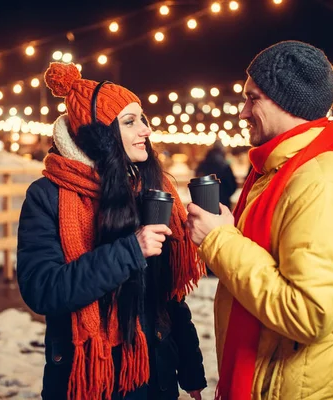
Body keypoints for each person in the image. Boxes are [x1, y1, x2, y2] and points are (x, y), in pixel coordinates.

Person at [186, 40, 333, 400]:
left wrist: (220, 240)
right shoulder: (277, 172)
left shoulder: (322, 183)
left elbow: (307, 314)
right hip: (264, 382)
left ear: (287, 102)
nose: (243, 112)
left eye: (252, 98)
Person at [17, 62, 207, 400]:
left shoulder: (151, 187)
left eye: (143, 119)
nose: (146, 130)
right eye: (130, 122)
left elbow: (169, 296)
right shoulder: (48, 195)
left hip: (157, 380)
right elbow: (42, 289)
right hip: (92, 381)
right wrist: (130, 251)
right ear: (100, 135)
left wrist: (190, 368)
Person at [195, 142, 237, 210]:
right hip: (223, 203)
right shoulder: (225, 165)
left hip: (205, 201)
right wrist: (225, 196)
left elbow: (196, 179)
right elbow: (233, 185)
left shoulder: (203, 163)